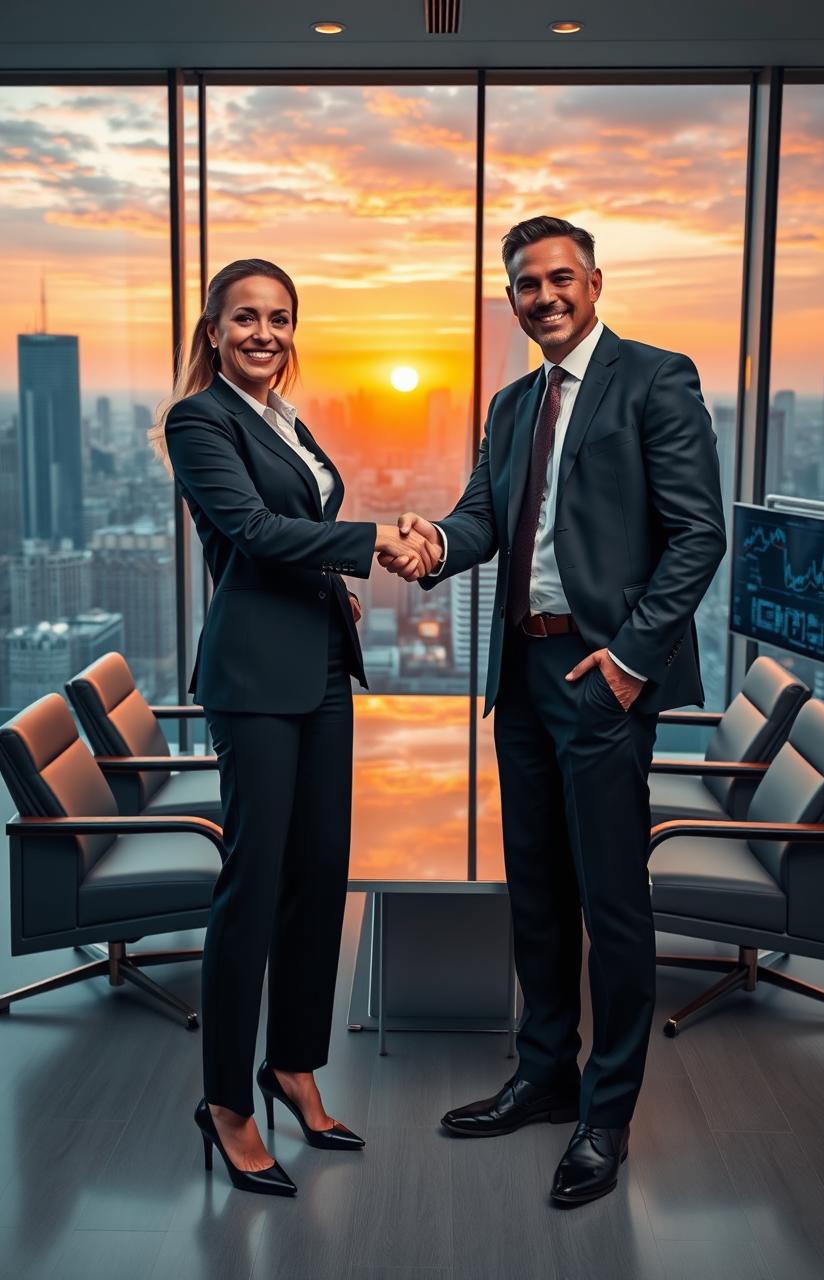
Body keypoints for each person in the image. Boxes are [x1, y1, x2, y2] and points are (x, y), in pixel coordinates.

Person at [379, 217, 726, 1206]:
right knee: (534, 887)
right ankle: (544, 1074)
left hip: (601, 670)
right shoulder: (509, 402)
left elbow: (697, 535)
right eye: (525, 284)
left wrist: (627, 659)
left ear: (594, 281)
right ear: (513, 299)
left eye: (559, 277)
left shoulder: (656, 378)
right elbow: (483, 517)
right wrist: (432, 545)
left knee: (612, 900)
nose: (543, 296)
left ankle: (604, 1112)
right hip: (523, 674)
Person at [153, 258, 440, 1196]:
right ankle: (228, 1102)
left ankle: (294, 1066)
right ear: (213, 328)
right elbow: (251, 530)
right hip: (253, 678)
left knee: (320, 875)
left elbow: (292, 534)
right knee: (255, 882)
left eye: (279, 318)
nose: (264, 333)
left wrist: (333, 593)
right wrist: (367, 548)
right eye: (245, 318)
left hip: (318, 665)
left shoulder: (286, 419)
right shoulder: (201, 420)